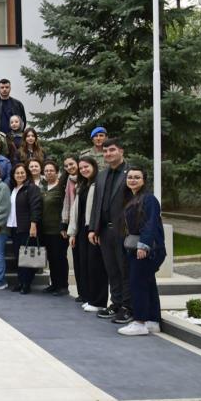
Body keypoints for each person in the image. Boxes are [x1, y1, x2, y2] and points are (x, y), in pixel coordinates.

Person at [88, 138, 133, 324]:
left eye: (112, 150)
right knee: (111, 269)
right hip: (105, 231)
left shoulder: (130, 173)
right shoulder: (102, 175)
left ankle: (128, 307)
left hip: (124, 230)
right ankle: (115, 303)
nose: (108, 154)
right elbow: (97, 204)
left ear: (121, 151)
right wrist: (93, 228)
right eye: (105, 151)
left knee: (125, 270)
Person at [118, 166, 165, 336]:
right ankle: (152, 321)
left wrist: (143, 245)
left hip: (147, 249)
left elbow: (150, 224)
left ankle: (139, 322)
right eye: (130, 177)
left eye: (137, 177)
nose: (132, 180)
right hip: (140, 248)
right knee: (148, 283)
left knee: (137, 284)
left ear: (144, 180)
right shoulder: (134, 198)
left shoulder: (149, 199)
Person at [69, 157, 108, 313]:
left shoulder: (98, 184)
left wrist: (96, 229)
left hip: (92, 229)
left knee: (96, 266)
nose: (84, 170)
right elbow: (75, 211)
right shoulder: (83, 185)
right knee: (86, 265)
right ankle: (91, 297)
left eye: (87, 167)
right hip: (82, 229)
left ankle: (99, 301)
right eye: (81, 168)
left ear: (94, 166)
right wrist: (73, 232)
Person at [8, 163, 43, 295]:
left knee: (27, 257)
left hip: (27, 227)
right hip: (14, 227)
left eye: (22, 172)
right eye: (17, 173)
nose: (20, 175)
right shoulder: (13, 188)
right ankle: (20, 281)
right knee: (19, 257)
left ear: (26, 174)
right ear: (13, 175)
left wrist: (33, 225)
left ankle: (27, 284)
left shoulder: (31, 188)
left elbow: (36, 207)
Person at [41, 160, 70, 296]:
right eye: (46, 171)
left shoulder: (61, 187)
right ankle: (54, 284)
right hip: (45, 230)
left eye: (51, 170)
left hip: (59, 230)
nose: (48, 173)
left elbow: (67, 207)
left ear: (57, 172)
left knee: (60, 258)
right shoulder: (44, 187)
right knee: (52, 259)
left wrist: (65, 226)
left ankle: (63, 286)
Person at [61, 155, 81, 299]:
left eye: (72, 164)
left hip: (84, 223)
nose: (69, 167)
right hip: (72, 224)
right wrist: (65, 222)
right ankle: (82, 293)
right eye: (67, 166)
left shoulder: (85, 179)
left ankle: (89, 294)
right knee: (78, 261)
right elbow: (67, 203)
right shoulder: (68, 181)